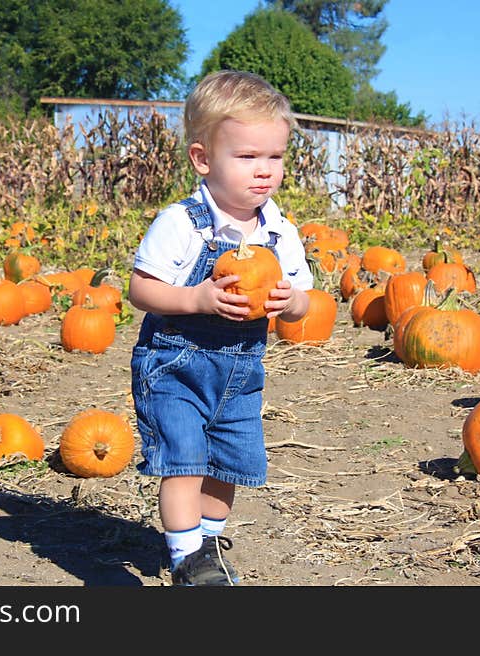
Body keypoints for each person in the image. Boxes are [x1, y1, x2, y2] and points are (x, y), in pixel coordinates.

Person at [128, 70, 313, 586]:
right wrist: (196, 297)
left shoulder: (280, 232)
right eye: (248, 157)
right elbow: (141, 289)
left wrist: (291, 301)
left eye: (274, 157)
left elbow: (305, 305)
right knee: (184, 460)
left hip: (240, 374)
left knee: (228, 464)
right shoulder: (182, 223)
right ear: (203, 159)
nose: (265, 172)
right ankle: (188, 560)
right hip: (175, 365)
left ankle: (207, 543)